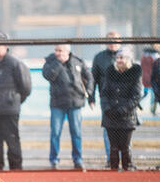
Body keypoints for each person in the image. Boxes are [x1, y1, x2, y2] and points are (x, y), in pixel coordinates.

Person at [0, 32, 32, 170]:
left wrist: (14, 100)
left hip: (10, 110)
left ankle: (16, 169)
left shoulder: (15, 63)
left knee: (12, 141)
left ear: (6, 46)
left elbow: (26, 87)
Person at [42, 44, 93, 170]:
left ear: (68, 51)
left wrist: (88, 92)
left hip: (75, 102)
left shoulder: (78, 62)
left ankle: (78, 159)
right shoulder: (51, 62)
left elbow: (89, 77)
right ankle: (54, 160)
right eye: (56, 50)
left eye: (61, 50)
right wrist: (59, 63)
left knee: (76, 132)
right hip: (57, 103)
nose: (58, 53)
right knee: (55, 132)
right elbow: (48, 75)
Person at [101, 47, 142, 171]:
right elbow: (104, 93)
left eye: (122, 58)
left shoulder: (135, 73)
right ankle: (113, 167)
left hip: (126, 117)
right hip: (110, 115)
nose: (119, 60)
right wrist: (107, 108)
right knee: (113, 145)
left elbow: (136, 96)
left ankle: (127, 166)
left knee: (125, 145)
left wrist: (123, 110)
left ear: (128, 59)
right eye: (118, 58)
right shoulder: (110, 72)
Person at [89, 31, 121, 167]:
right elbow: (93, 78)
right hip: (106, 98)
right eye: (110, 39)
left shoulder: (125, 56)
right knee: (108, 128)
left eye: (115, 39)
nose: (112, 42)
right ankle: (111, 158)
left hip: (124, 98)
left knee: (126, 128)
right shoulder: (99, 57)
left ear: (120, 40)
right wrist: (91, 96)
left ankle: (125, 157)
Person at [141, 44, 159, 115]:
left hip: (145, 78)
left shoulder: (144, 56)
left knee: (145, 94)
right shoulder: (155, 56)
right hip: (153, 79)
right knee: (154, 94)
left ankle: (137, 104)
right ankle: (153, 110)